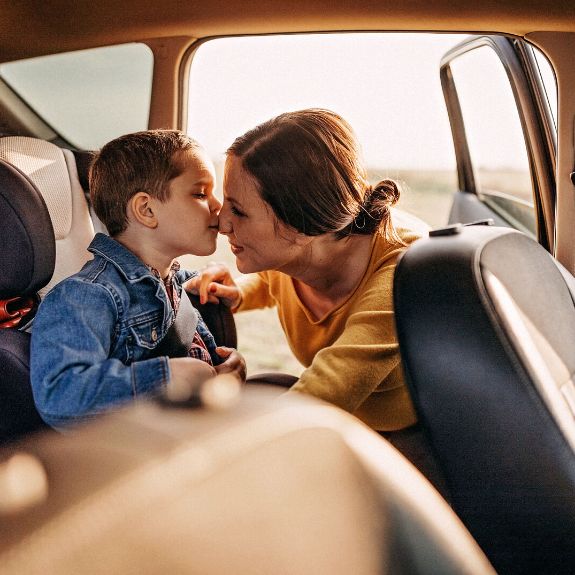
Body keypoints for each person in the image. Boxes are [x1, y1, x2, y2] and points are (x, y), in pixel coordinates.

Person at [190, 109, 420, 433]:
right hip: (343, 423)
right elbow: (275, 277)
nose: (220, 221)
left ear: (301, 224)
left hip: (404, 441)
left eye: (238, 210)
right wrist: (240, 292)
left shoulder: (401, 275)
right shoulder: (301, 250)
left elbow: (328, 385)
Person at [31, 130, 246, 430]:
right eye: (200, 193)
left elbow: (200, 354)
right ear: (146, 210)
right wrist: (166, 378)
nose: (218, 207)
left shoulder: (174, 283)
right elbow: (61, 396)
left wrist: (225, 367)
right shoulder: (86, 296)